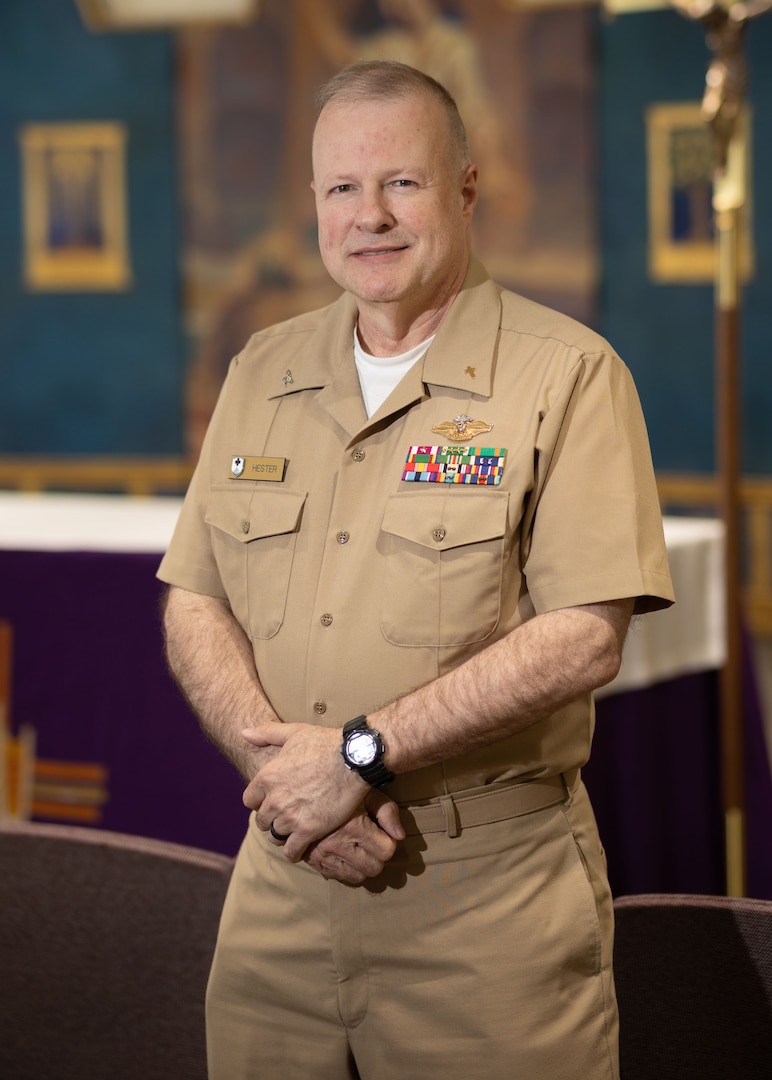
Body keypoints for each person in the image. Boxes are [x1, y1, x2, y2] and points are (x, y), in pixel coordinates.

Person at [159, 59, 674, 1080]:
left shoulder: (566, 374)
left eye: (403, 182)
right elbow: (195, 598)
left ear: (465, 190)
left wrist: (352, 760)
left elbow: (583, 636)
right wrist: (290, 785)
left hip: (481, 906)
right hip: (282, 888)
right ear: (313, 205)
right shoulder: (262, 367)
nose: (371, 215)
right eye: (342, 189)